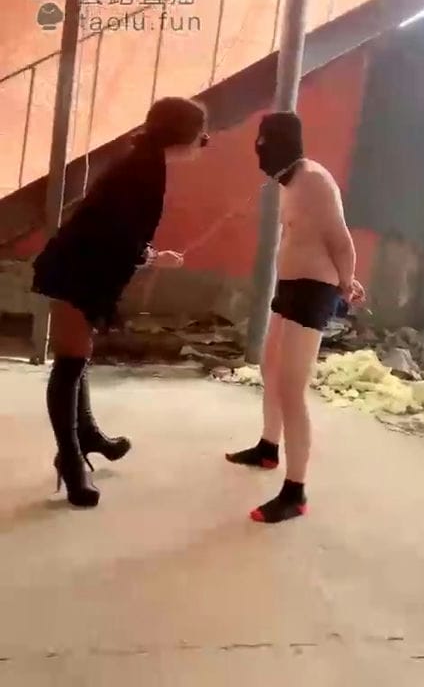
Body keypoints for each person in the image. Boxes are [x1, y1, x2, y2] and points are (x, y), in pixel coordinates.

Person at [32, 96, 209, 509]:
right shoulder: (141, 169)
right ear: (181, 133)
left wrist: (147, 254)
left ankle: (87, 433)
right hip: (75, 269)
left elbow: (121, 231)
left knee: (79, 355)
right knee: (70, 362)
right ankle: (70, 460)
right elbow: (116, 233)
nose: (205, 142)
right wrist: (152, 257)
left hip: (88, 269)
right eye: (202, 134)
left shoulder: (147, 163)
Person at [226, 112, 365, 524]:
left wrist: (346, 282)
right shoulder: (289, 183)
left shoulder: (314, 180)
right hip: (289, 287)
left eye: (265, 143)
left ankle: (295, 492)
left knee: (291, 387)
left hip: (313, 290)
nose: (260, 152)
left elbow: (340, 239)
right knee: (270, 368)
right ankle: (268, 448)